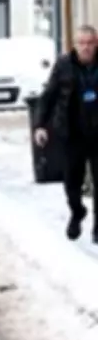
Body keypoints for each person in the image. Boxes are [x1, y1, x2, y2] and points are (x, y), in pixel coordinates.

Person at [34, 25, 98, 241]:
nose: (86, 48)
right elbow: (48, 96)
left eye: (90, 43)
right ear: (75, 45)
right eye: (82, 43)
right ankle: (77, 211)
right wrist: (40, 125)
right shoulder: (63, 66)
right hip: (72, 132)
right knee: (72, 181)